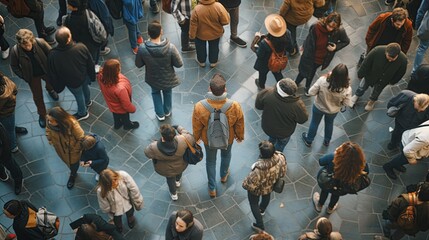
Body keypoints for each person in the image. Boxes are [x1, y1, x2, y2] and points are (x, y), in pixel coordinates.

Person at [192, 73, 244, 197]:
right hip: (228, 137)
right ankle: (224, 176)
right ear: (225, 89)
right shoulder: (235, 106)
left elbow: (196, 125)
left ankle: (212, 189)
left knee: (210, 161)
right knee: (226, 156)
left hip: (208, 139)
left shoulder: (199, 106)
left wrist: (197, 138)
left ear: (209, 89)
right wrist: (239, 136)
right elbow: (239, 123)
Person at [10, 28, 59, 128]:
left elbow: (51, 54)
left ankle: (50, 89)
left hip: (45, 71)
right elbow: (14, 66)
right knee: (37, 97)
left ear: (32, 40)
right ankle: (42, 114)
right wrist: (23, 75)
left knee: (51, 83)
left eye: (29, 44)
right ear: (20, 43)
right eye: (24, 45)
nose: (27, 47)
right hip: (32, 77)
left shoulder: (40, 42)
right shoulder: (15, 51)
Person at [135, 20, 183, 121]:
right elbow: (179, 64)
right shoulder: (170, 47)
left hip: (153, 78)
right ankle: (167, 111)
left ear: (148, 33)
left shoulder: (142, 48)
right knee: (167, 92)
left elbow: (138, 64)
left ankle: (160, 114)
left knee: (155, 93)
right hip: (168, 78)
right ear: (161, 32)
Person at [295, 12, 350, 95]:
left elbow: (346, 41)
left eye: (333, 27)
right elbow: (310, 37)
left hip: (321, 58)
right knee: (304, 70)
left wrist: (336, 47)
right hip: (309, 55)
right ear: (326, 21)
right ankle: (297, 83)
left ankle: (306, 86)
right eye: (329, 25)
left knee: (312, 71)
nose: (330, 29)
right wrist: (304, 46)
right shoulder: (316, 26)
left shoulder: (339, 31)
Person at [48, 27, 95, 121]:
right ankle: (87, 102)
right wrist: (92, 75)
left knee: (78, 95)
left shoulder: (53, 55)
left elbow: (53, 72)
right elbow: (90, 63)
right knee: (85, 88)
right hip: (84, 76)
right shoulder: (81, 47)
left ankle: (82, 112)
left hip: (71, 81)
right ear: (69, 38)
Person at [302, 63, 353, 147]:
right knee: (329, 124)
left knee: (314, 123)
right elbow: (346, 103)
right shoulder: (347, 89)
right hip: (333, 111)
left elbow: (311, 92)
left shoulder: (322, 80)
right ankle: (327, 141)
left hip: (318, 107)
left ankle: (309, 140)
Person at [313, 141, 369, 214]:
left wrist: (335, 153)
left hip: (328, 183)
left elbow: (321, 161)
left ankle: (319, 205)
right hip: (343, 188)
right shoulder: (362, 164)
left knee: (324, 191)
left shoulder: (333, 157)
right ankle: (330, 208)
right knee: (336, 195)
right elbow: (367, 172)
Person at [242, 141, 287, 231]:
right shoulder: (281, 158)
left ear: (261, 154)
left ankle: (259, 224)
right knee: (266, 196)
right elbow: (283, 173)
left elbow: (247, 185)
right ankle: (262, 210)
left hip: (257, 191)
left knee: (253, 203)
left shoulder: (258, 170)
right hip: (270, 186)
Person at [255, 78, 308, 152]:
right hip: (284, 133)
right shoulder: (297, 105)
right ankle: (275, 157)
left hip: (268, 127)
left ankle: (268, 149)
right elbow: (303, 119)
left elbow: (258, 106)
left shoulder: (267, 93)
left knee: (272, 138)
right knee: (280, 146)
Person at [351, 43, 408, 111]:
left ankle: (371, 102)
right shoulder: (377, 51)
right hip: (370, 75)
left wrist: (392, 81)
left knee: (377, 91)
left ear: (397, 55)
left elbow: (400, 73)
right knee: (362, 86)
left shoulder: (403, 60)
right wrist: (360, 73)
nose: (390, 60)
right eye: (388, 57)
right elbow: (366, 63)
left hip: (383, 80)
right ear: (386, 52)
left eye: (392, 59)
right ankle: (357, 95)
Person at [144, 124, 194, 201]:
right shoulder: (182, 140)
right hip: (181, 164)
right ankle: (177, 181)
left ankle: (174, 194)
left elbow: (147, 153)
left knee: (170, 180)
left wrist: (153, 143)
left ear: (162, 136)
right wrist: (178, 127)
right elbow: (189, 136)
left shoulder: (154, 147)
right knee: (179, 172)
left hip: (166, 169)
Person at [45, 106, 85, 189]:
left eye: (51, 121)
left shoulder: (72, 125)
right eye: (48, 120)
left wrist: (74, 150)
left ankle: (73, 175)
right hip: (60, 149)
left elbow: (81, 138)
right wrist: (50, 139)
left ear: (59, 120)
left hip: (72, 152)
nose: (49, 122)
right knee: (66, 162)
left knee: (73, 165)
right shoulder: (49, 121)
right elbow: (48, 129)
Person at [253, 14, 294, 90]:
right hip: (278, 60)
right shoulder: (287, 33)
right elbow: (291, 48)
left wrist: (256, 46)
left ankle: (261, 85)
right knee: (277, 73)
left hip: (264, 63)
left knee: (262, 74)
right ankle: (283, 87)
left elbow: (260, 55)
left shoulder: (264, 43)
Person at [97, 168, 143, 233]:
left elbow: (134, 188)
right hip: (115, 208)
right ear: (106, 184)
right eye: (112, 183)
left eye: (115, 180)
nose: (116, 183)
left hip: (127, 202)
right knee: (117, 219)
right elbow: (103, 203)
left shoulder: (123, 176)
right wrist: (107, 210)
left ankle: (130, 220)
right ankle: (119, 227)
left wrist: (136, 199)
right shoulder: (101, 190)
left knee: (130, 212)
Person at [98, 59, 139, 130]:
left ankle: (117, 124)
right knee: (125, 117)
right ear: (115, 71)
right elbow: (126, 104)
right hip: (121, 108)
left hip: (111, 103)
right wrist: (132, 109)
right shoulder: (120, 89)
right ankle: (127, 125)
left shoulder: (100, 77)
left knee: (115, 114)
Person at [189, 0, 230, 68]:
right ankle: (213, 62)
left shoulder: (197, 9)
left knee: (200, 48)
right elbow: (226, 21)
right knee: (214, 47)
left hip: (200, 35)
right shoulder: (218, 6)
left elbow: (193, 25)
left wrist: (191, 36)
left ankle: (201, 62)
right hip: (215, 34)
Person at [63, 0, 103, 68]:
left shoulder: (69, 19)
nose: (67, 6)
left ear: (75, 8)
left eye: (69, 5)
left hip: (80, 46)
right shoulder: (89, 14)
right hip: (92, 44)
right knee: (93, 59)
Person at [0, 72, 28, 153]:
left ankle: (13, 147)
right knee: (10, 126)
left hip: (4, 114)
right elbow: (15, 90)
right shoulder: (6, 81)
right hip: (9, 110)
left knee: (9, 131)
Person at [0, 123, 23, 195]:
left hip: (3, 150)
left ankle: (18, 181)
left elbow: (3, 140)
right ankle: (2, 175)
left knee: (11, 165)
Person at [412, 0, 429, 73]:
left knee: (422, 48)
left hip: (427, 29)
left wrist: (417, 25)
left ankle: (415, 71)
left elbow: (421, 11)